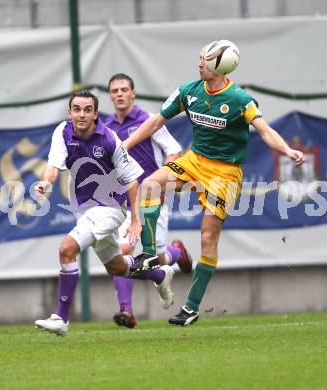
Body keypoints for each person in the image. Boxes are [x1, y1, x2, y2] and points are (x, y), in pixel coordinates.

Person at [123, 40, 304, 326]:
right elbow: (157, 121)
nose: (199, 63)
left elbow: (265, 131)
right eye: (200, 58)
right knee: (150, 185)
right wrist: (127, 145)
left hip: (225, 173)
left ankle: (191, 307)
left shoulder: (240, 100)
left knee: (208, 238)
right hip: (195, 160)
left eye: (205, 60)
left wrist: (287, 150)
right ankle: (147, 254)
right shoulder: (188, 91)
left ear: (220, 66)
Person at [34, 89, 174, 336]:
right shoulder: (63, 132)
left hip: (110, 209)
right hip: (84, 209)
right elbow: (53, 167)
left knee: (67, 249)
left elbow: (132, 182)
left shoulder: (109, 140)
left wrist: (135, 222)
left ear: (96, 114)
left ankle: (61, 319)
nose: (82, 114)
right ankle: (160, 273)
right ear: (70, 112)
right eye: (77, 109)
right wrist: (46, 183)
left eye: (87, 110)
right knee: (117, 267)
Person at [106, 73, 193, 328]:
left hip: (150, 199)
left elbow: (173, 150)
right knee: (122, 252)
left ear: (133, 93)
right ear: (110, 95)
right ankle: (127, 311)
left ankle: (177, 254)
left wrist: (164, 180)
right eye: (115, 90)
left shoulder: (147, 120)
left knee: (154, 260)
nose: (120, 94)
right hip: (122, 202)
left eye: (124, 89)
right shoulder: (107, 127)